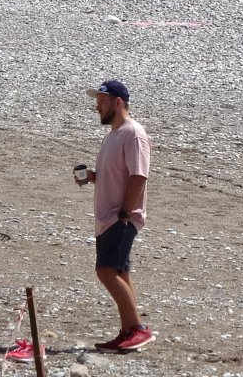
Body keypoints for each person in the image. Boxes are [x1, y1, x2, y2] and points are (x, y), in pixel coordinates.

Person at [80, 80, 155, 353]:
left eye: (102, 100)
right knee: (121, 272)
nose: (97, 105)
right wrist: (93, 177)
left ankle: (138, 329)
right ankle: (128, 331)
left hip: (120, 216)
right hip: (111, 216)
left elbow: (138, 176)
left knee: (106, 271)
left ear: (118, 102)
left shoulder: (133, 133)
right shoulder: (114, 134)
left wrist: (125, 212)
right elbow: (119, 175)